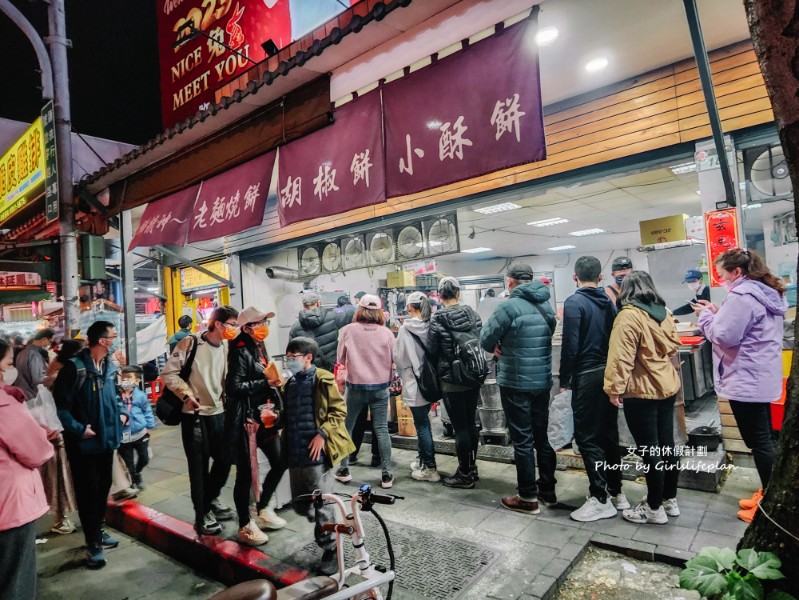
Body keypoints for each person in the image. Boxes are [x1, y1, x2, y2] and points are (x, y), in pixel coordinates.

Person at [694, 248, 786, 523]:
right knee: (764, 437)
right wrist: (717, 311)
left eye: (722, 275)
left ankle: (771, 503)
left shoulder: (742, 296)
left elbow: (723, 336)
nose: (721, 279)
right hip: (760, 376)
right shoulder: (766, 292)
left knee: (758, 440)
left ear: (737, 272)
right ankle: (771, 493)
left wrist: (706, 317)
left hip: (746, 379)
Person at [267, 337, 355, 575]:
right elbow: (288, 413)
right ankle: (325, 531)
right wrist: (275, 420)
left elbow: (338, 410)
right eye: (288, 357)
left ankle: (332, 549)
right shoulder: (290, 383)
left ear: (308, 357)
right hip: (295, 452)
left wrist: (322, 435)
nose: (289, 361)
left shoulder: (323, 379)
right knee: (300, 504)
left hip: (316, 453)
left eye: (293, 357)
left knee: (322, 503)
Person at [604, 271, 682, 525]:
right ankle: (669, 499)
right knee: (667, 445)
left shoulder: (628, 316)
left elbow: (620, 358)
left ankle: (654, 508)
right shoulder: (665, 312)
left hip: (642, 390)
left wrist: (614, 389)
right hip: (667, 386)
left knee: (650, 449)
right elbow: (673, 347)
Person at [480, 264, 557, 512]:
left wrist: (499, 345)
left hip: (515, 381)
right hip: (542, 381)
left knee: (522, 440)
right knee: (541, 436)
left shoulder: (508, 306)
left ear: (510, 282)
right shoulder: (546, 306)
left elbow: (486, 338)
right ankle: (547, 490)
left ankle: (527, 497)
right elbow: (548, 334)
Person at [559, 256, 628, 522]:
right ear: (601, 277)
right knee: (609, 435)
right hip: (608, 374)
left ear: (574, 277)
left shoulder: (574, 302)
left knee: (588, 438)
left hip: (586, 376)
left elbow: (570, 345)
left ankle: (600, 498)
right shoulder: (610, 303)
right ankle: (617, 491)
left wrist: (565, 380)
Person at [53, 321, 126, 568]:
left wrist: (122, 414)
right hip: (84, 444)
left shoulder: (108, 365)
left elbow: (114, 395)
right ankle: (92, 542)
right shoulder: (75, 368)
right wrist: (79, 429)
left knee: (103, 487)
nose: (116, 340)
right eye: (113, 336)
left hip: (107, 440)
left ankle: (98, 530)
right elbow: (59, 407)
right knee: (88, 492)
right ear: (102, 341)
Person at [162, 306, 239, 537]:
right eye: (232, 324)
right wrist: (186, 395)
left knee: (225, 459)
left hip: (220, 413)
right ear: (219, 324)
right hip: (194, 417)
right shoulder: (190, 343)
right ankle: (202, 514)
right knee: (198, 468)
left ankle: (210, 499)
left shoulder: (226, 345)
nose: (234, 329)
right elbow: (169, 373)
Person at [225, 306, 287, 547]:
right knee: (245, 475)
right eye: (260, 323)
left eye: (265, 322)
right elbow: (233, 387)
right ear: (247, 327)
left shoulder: (258, 346)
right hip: (247, 421)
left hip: (264, 416)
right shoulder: (239, 350)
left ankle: (262, 508)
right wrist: (265, 381)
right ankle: (244, 525)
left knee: (280, 461)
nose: (264, 327)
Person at [0, 337, 55, 600]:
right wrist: (43, 436)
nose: (10, 370)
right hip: (8, 510)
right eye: (8, 363)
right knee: (15, 584)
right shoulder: (3, 406)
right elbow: (36, 452)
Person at [334, 294, 396, 488]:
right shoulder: (387, 333)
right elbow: (395, 359)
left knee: (348, 427)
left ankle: (344, 470)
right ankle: (386, 475)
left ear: (359, 309)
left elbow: (340, 359)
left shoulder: (348, 330)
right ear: (379, 311)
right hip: (380, 388)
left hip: (355, 387)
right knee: (381, 429)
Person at [429, 277, 483, 489]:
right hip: (474, 375)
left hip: (452, 379)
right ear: (458, 293)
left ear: (440, 296)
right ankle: (472, 467)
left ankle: (464, 473)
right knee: (471, 423)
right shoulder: (473, 313)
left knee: (460, 427)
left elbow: (433, 350)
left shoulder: (438, 319)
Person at [393, 291, 439, 482]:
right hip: (430, 382)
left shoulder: (405, 329)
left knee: (422, 425)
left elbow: (398, 356)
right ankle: (422, 460)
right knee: (424, 421)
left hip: (413, 380)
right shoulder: (432, 325)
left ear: (410, 307)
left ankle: (430, 468)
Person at [42, 340, 81, 535]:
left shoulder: (61, 367)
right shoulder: (66, 371)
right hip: (60, 432)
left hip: (64, 429)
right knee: (61, 476)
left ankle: (63, 517)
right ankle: (61, 518)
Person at [288, 292, 350, 370]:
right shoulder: (333, 317)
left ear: (303, 306)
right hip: (331, 367)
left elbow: (291, 354)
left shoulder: (295, 327)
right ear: (318, 303)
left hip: (310, 370)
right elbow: (352, 315)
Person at [117, 367, 155, 491]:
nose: (125, 381)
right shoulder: (117, 395)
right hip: (124, 436)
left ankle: (138, 472)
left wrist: (149, 425)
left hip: (140, 433)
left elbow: (147, 411)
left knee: (144, 458)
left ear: (136, 380)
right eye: (123, 378)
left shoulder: (140, 396)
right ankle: (133, 480)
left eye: (128, 378)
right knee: (128, 463)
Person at [14, 327, 55, 400]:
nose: (49, 344)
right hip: (32, 396)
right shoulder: (34, 355)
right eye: (50, 341)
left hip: (23, 394)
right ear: (44, 339)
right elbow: (37, 380)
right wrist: (53, 377)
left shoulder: (22, 353)